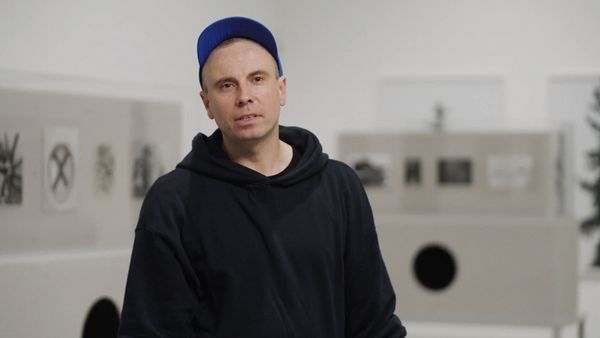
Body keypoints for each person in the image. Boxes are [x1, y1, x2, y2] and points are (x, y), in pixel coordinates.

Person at [118, 16, 407, 338]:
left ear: (280, 89)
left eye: (257, 79)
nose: (244, 96)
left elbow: (374, 322)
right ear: (207, 103)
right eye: (227, 85)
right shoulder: (173, 201)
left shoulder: (339, 186)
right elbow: (150, 330)